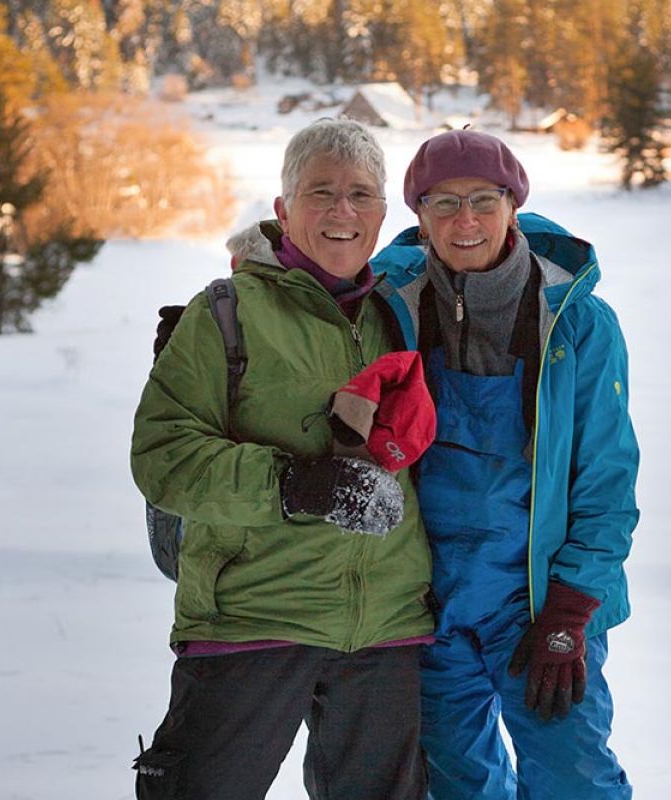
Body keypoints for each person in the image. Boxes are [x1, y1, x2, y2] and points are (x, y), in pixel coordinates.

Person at [130, 119, 432, 800]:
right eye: (320, 192)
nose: (342, 211)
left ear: (383, 213)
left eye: (361, 194)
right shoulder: (226, 313)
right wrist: (295, 484)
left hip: (386, 628)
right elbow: (163, 456)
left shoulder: (404, 315)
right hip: (252, 615)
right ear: (283, 208)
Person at [371, 130, 640, 799]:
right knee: (460, 785)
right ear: (420, 217)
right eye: (444, 203)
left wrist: (571, 611)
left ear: (513, 206)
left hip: (540, 603)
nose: (465, 220)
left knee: (574, 780)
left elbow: (606, 481)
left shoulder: (578, 323)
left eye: (483, 201)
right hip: (429, 602)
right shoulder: (389, 310)